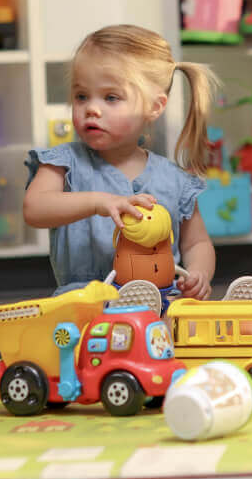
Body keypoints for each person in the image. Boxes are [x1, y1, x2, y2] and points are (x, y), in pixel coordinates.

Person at [24, 24, 217, 300]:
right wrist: (97, 202)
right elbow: (34, 208)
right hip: (85, 304)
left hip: (160, 300)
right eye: (81, 96)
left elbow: (197, 242)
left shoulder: (174, 180)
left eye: (111, 97)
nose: (91, 108)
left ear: (154, 107)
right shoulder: (63, 163)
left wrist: (198, 274)